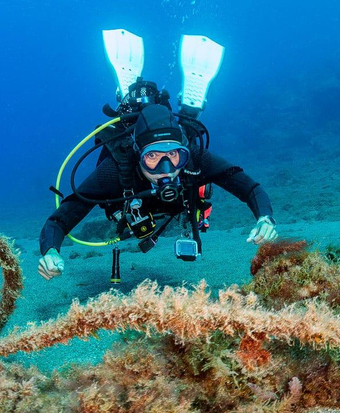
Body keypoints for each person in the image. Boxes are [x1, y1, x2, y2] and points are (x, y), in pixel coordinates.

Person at [37, 102, 278, 280]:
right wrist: (50, 251)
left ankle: (189, 108)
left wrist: (264, 218)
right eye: (152, 156)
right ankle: (128, 98)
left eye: (173, 155)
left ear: (183, 152)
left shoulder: (195, 159)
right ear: (138, 155)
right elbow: (59, 220)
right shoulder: (114, 171)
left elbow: (250, 188)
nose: (166, 169)